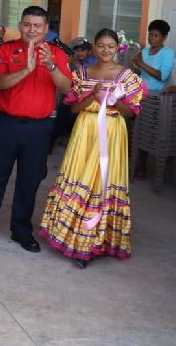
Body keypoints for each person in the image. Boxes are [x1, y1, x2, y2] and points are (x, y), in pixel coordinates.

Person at [0, 6, 72, 253]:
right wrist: (25, 69)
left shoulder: (56, 54)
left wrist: (51, 67)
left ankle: (22, 231)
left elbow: (67, 89)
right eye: (27, 24)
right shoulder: (5, 50)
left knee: (30, 181)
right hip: (6, 125)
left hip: (39, 128)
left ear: (46, 29)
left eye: (37, 26)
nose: (32, 30)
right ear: (20, 25)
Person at [40, 29, 143, 268]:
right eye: (101, 45)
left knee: (104, 183)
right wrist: (93, 96)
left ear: (118, 48)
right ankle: (76, 240)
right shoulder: (82, 73)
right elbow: (74, 110)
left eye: (110, 46)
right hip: (85, 132)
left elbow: (130, 113)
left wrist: (113, 100)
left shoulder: (127, 76)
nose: (106, 50)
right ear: (94, 47)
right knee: (82, 179)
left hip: (113, 132)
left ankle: (100, 240)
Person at [132, 20, 174, 95]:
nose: (152, 38)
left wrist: (141, 64)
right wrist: (135, 66)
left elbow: (162, 77)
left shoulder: (168, 53)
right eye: (150, 35)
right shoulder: (144, 51)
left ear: (164, 37)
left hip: (155, 94)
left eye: (156, 36)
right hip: (138, 90)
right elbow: (139, 73)